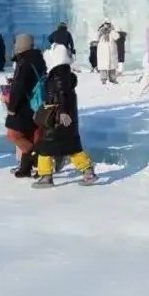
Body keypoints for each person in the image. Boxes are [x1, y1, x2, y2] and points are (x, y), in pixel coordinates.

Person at [32, 43, 98, 188]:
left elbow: (61, 94)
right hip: (65, 119)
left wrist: (62, 112)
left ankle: (46, 176)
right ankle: (88, 172)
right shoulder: (65, 73)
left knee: (45, 147)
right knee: (72, 147)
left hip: (57, 119)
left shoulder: (58, 74)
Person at [6, 34, 47, 177]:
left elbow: (20, 87)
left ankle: (38, 158)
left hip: (24, 105)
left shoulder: (25, 62)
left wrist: (11, 108)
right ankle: (26, 167)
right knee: (30, 134)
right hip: (35, 103)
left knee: (13, 135)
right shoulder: (37, 58)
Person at [95, 21, 120, 85]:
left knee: (112, 67)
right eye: (105, 24)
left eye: (108, 24)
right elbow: (96, 38)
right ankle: (103, 79)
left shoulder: (112, 32)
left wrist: (113, 30)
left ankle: (113, 79)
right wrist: (100, 32)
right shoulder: (100, 31)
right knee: (103, 66)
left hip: (111, 51)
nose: (106, 26)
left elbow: (117, 37)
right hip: (103, 52)